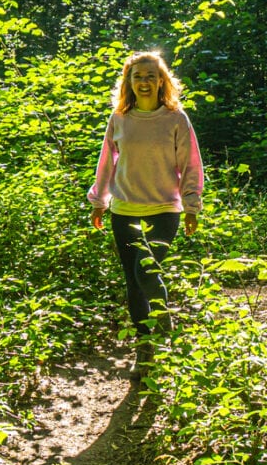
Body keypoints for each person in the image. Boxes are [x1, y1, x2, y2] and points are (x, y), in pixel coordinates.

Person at [87, 51, 203, 346]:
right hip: (124, 210)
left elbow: (190, 164)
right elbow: (106, 163)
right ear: (129, 82)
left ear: (161, 81)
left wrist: (191, 206)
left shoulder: (175, 119)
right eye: (138, 77)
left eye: (151, 76)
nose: (144, 82)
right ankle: (145, 345)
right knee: (133, 281)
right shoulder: (120, 118)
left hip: (164, 210)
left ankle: (164, 325)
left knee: (145, 270)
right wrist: (99, 201)